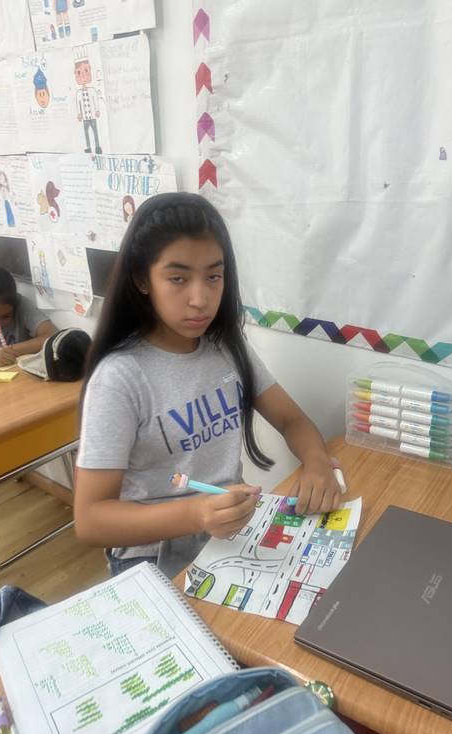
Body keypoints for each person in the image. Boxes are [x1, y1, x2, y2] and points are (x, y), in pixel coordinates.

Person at [75, 192, 343, 578]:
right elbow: (90, 520)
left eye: (213, 276)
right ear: (141, 279)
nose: (200, 299)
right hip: (151, 557)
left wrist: (316, 463)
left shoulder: (225, 347)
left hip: (227, 533)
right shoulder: (120, 377)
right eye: (178, 278)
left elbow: (292, 420)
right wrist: (195, 514)